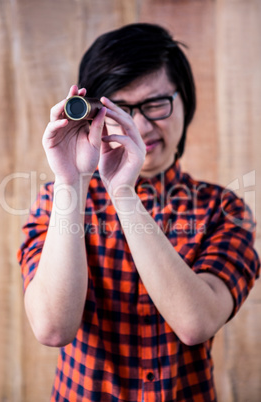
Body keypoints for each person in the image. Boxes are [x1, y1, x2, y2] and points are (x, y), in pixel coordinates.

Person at [17, 23, 260, 401]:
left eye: (156, 104)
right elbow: (52, 329)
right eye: (122, 108)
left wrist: (124, 194)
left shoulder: (224, 209)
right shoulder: (57, 201)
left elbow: (196, 323)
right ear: (94, 115)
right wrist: (73, 182)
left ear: (185, 101)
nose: (143, 125)